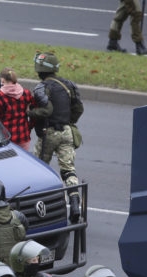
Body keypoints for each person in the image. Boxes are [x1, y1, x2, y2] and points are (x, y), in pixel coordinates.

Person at [28, 52, 84, 224]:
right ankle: (75, 203)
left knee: (39, 170)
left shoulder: (41, 88)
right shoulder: (68, 85)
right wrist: (68, 122)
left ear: (39, 70)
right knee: (68, 170)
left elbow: (47, 110)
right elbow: (79, 109)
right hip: (66, 132)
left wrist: (30, 113)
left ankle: (39, 207)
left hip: (48, 133)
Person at [0, 67, 35, 151]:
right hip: (23, 136)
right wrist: (29, 127)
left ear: (2, 80)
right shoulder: (26, 93)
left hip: (7, 138)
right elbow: (34, 112)